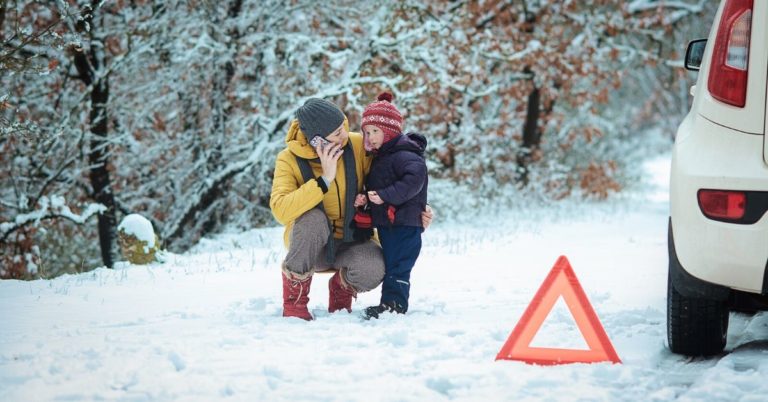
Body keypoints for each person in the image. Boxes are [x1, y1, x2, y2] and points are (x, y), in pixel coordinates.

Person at [269, 97, 432, 321]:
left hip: (352, 240)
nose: (344, 135)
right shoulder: (288, 160)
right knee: (312, 218)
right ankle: (295, 302)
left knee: (374, 269)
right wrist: (324, 180)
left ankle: (341, 288)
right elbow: (280, 210)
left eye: (343, 127)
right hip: (311, 247)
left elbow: (393, 175)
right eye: (336, 133)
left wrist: (414, 209)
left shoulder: (355, 146)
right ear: (316, 139)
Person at [356, 92, 428, 320]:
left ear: (390, 131)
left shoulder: (405, 155)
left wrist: (385, 196)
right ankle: (388, 302)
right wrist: (367, 200)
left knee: (399, 265)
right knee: (392, 263)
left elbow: (414, 181)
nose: (371, 136)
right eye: (367, 132)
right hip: (390, 223)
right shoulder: (384, 157)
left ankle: (394, 305)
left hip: (405, 223)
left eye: (375, 131)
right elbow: (381, 185)